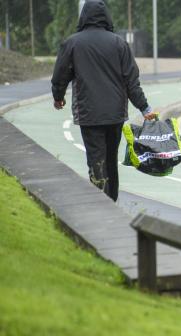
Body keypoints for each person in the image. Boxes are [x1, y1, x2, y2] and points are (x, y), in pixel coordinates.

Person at [51, 0, 157, 202]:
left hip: (88, 113)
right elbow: (131, 81)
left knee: (95, 159)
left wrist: (58, 97)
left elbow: (60, 75)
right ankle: (112, 201)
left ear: (84, 17)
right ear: (106, 17)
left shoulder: (72, 43)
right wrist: (144, 108)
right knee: (110, 159)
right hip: (115, 114)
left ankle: (100, 200)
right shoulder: (119, 43)